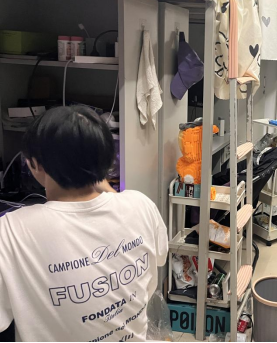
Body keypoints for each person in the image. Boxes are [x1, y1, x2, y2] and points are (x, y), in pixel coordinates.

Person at [0, 106, 169, 342]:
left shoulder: (11, 232)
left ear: (35, 164)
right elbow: (159, 258)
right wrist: (94, 177)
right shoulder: (141, 205)